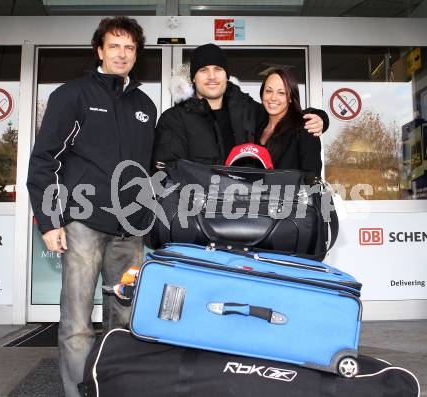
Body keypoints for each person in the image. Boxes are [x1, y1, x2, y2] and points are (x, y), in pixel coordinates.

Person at [27, 17, 156, 397]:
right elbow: (44, 160)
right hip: (81, 225)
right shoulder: (72, 95)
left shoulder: (145, 105)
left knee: (125, 318)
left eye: (129, 47)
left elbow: (147, 172)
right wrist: (50, 222)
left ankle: (114, 387)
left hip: (129, 232)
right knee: (78, 321)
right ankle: (79, 392)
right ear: (99, 51)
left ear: (136, 55)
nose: (122, 53)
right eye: (114, 46)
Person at [153, 43, 328, 168]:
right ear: (193, 77)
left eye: (218, 69)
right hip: (199, 215)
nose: (212, 76)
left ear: (226, 75)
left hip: (248, 213)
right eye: (203, 70)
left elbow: (283, 113)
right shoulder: (174, 119)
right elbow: (167, 173)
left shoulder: (247, 110)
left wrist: (319, 117)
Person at [257, 68, 322, 176]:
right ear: (262, 94)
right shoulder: (256, 127)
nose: (273, 98)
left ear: (290, 98)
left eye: (281, 93)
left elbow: (312, 179)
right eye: (268, 91)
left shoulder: (304, 129)